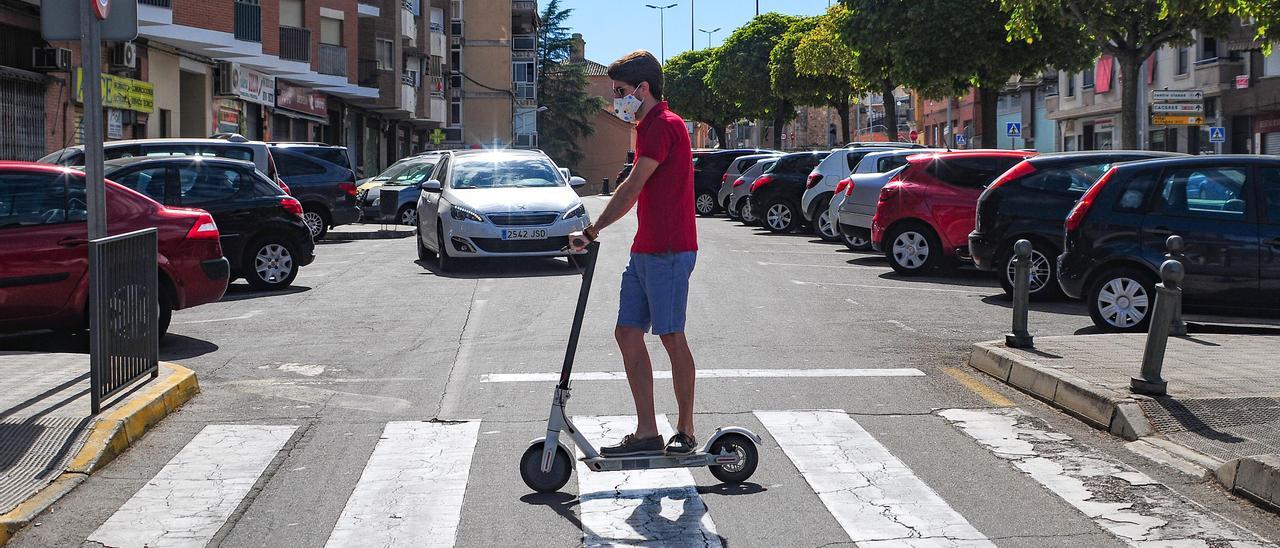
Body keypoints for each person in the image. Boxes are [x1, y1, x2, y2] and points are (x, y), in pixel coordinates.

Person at [568, 50, 699, 457]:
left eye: (621, 91)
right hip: (646, 248)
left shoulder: (663, 125)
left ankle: (685, 429)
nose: (617, 100)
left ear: (643, 89)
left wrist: (591, 230)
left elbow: (632, 188)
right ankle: (646, 431)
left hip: (670, 248)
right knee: (627, 332)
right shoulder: (648, 128)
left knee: (671, 336)